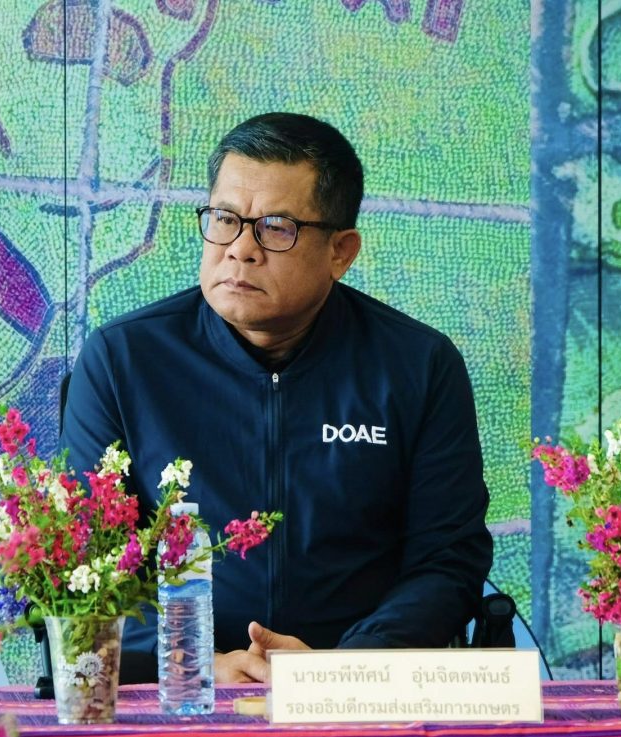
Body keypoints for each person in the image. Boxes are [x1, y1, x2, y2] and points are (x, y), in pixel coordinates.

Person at [59, 112, 493, 684]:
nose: (241, 250)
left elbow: (447, 558)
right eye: (225, 220)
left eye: (276, 228)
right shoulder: (123, 360)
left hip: (356, 692)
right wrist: (195, 662)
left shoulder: (418, 366)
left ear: (341, 251)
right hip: (184, 687)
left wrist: (344, 668)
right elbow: (86, 565)